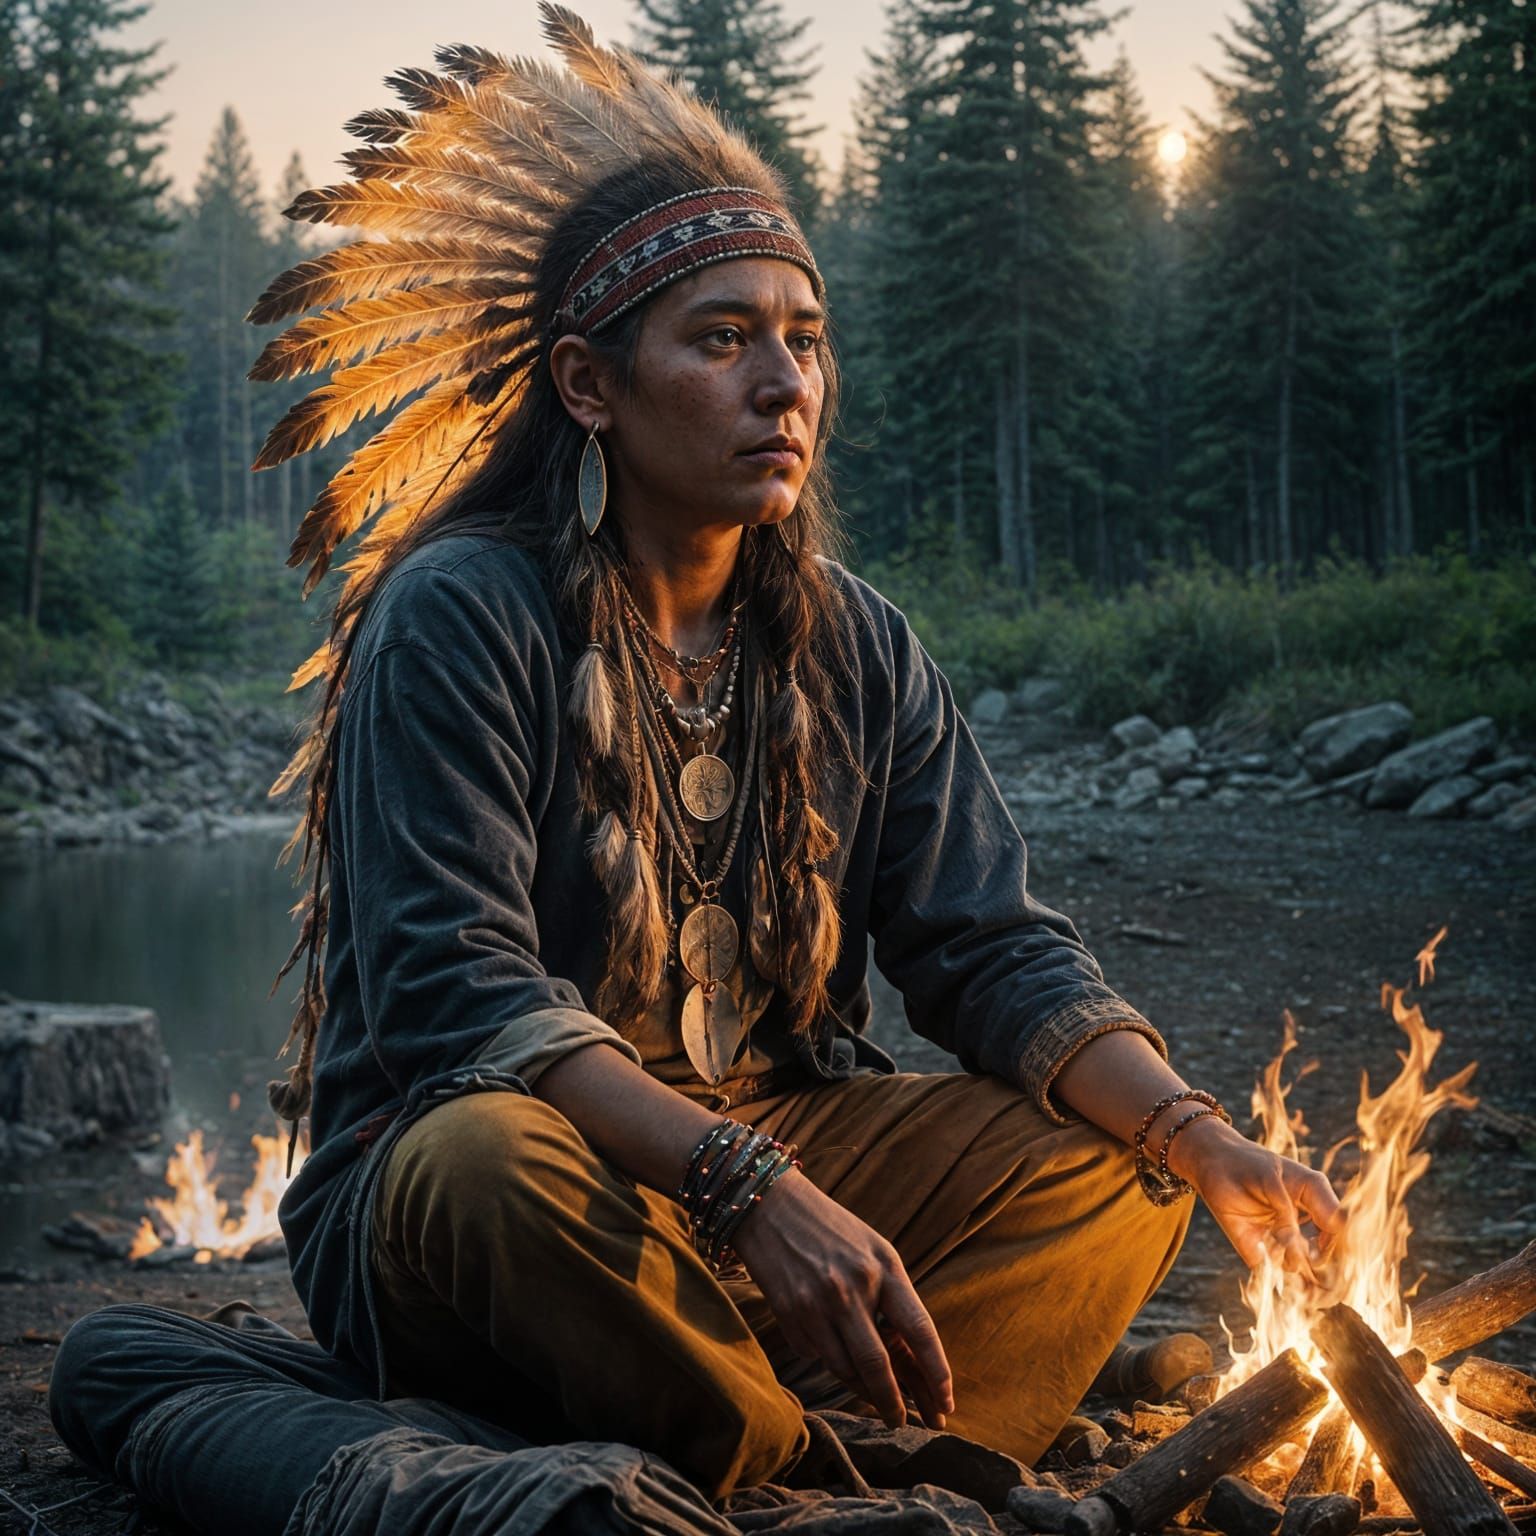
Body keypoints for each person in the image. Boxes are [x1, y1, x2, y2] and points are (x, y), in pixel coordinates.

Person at [50, 8, 1342, 1530]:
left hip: (769, 1157)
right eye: (721, 338)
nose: (783, 383)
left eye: (804, 338)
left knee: (1115, 1170)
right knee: (480, 1158)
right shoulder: (459, 613)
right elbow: (457, 994)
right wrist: (746, 1190)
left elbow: (990, 949)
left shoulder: (859, 643)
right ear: (590, 385)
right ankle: (816, 1468)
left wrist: (1202, 1136)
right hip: (498, 1193)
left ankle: (712, 1439)